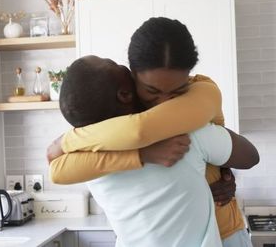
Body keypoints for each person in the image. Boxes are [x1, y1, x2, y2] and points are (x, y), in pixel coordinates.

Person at [48, 17, 256, 247]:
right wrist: (144, 154)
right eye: (151, 91)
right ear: (132, 77)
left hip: (226, 230)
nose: (164, 103)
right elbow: (59, 170)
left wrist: (68, 140)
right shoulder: (185, 136)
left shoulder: (201, 94)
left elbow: (137, 131)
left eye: (178, 90)